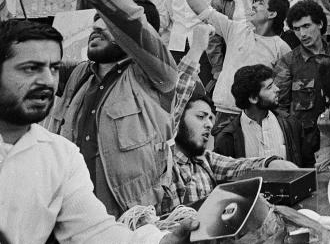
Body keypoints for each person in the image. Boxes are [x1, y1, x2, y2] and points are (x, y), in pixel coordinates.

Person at [20, 0, 178, 217]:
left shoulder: (156, 75)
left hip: (129, 222)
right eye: (95, 20)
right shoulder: (78, 75)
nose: (97, 25)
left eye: (106, 22)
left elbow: (124, 13)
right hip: (69, 218)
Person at [0, 18, 196, 244]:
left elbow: (93, 231)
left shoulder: (61, 156)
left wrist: (161, 242)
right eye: (30, 68)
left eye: (53, 68)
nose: (47, 80)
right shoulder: (81, 77)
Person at [168, 0, 291, 134]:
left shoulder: (281, 48)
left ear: (272, 14)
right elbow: (203, 10)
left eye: (261, 3)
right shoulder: (235, 29)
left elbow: (279, 91)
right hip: (221, 113)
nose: (253, 5)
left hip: (253, 117)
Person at [171, 91, 298, 206]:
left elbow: (236, 166)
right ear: (177, 119)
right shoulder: (164, 166)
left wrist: (270, 163)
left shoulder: (205, 159)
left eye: (210, 118)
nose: (209, 124)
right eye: (200, 116)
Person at [273, 0, 330, 165]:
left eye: (306, 26)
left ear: (320, 23)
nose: (302, 34)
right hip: (303, 144)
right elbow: (278, 107)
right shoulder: (288, 62)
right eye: (296, 29)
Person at [213, 64, 305, 166]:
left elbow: (306, 167)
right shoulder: (227, 138)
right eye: (269, 87)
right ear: (253, 98)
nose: (277, 89)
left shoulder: (291, 124)